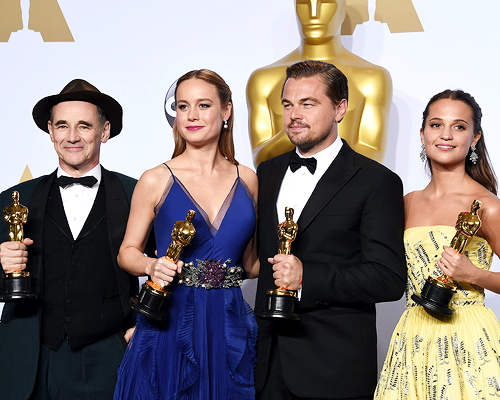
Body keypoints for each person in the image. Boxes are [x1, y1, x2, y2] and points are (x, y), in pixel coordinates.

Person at [255, 60, 406, 400]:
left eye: (308, 103)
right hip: (266, 365)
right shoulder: (267, 172)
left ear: (340, 108)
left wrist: (308, 277)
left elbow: (388, 278)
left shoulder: (376, 181)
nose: (295, 114)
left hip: (334, 369)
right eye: (288, 104)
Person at [113, 69, 259, 400]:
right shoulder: (155, 179)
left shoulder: (248, 179)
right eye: (182, 106)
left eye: (203, 105)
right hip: (172, 320)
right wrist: (151, 266)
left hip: (228, 320)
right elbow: (127, 252)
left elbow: (251, 264)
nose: (191, 116)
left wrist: (301, 263)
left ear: (226, 111)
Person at [0, 79, 149, 399]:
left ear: (105, 131)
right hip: (33, 360)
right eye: (62, 125)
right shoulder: (14, 199)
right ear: (50, 131)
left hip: (112, 356)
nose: (72, 137)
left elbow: (165, 267)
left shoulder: (137, 193)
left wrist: (146, 328)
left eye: (84, 126)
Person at [375, 90, 500, 399]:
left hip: (468, 337)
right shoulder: (406, 202)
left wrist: (474, 274)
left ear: (474, 138)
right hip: (412, 334)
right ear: (422, 134)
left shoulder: (487, 205)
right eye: (435, 125)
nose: (445, 135)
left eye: (458, 126)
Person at [247, 0, 392, 166]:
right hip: (282, 186)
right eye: (303, 3)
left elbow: (371, 155)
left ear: (342, 10)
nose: (313, 14)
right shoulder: (263, 80)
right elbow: (261, 160)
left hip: (347, 189)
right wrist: (299, 127)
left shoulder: (372, 77)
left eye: (325, 3)